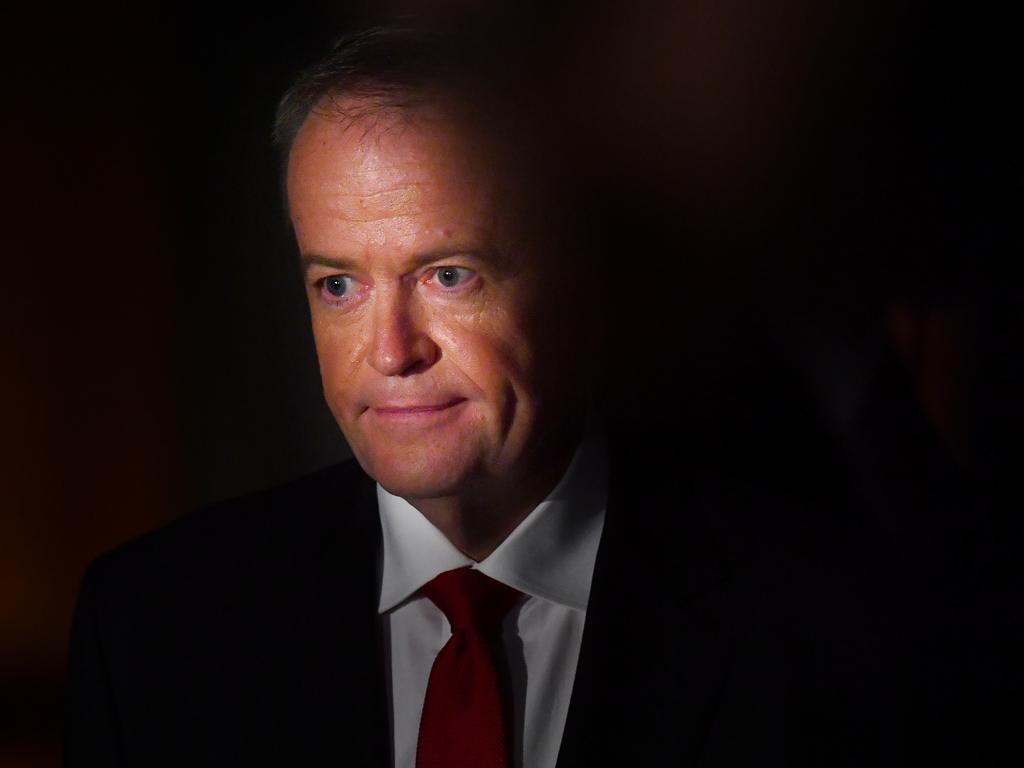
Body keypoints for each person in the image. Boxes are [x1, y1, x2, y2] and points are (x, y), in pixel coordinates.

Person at [64, 19, 988, 768]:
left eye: (449, 275)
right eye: (338, 285)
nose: (389, 351)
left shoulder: (834, 627)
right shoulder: (153, 630)